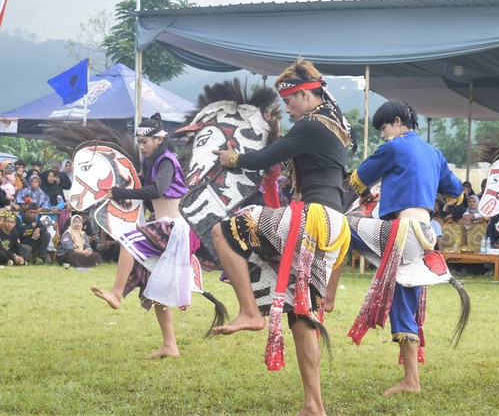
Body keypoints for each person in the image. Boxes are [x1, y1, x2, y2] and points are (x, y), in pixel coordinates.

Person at [210, 59, 351, 416]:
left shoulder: (310, 125)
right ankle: (314, 406)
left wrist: (232, 158)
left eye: (289, 101)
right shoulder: (335, 125)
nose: (287, 109)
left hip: (310, 218)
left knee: (223, 231)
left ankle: (248, 311)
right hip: (333, 224)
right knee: (301, 315)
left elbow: (261, 159)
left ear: (305, 95)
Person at [347, 99, 464, 396]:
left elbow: (358, 179)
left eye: (384, 128)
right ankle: (411, 380)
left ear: (398, 122)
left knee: (340, 224)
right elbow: (457, 192)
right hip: (426, 233)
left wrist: (367, 194)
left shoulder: (394, 146)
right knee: (404, 307)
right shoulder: (434, 153)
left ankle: (326, 293)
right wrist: (438, 202)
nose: (383, 135)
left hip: (402, 233)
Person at [90, 117, 198, 359]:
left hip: (172, 227)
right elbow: (151, 196)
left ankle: (117, 293)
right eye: (140, 141)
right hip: (163, 225)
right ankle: (170, 345)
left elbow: (157, 191)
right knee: (153, 285)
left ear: (159, 139)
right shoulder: (155, 161)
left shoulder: (167, 160)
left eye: (145, 141)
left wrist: (120, 191)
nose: (142, 146)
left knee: (128, 240)